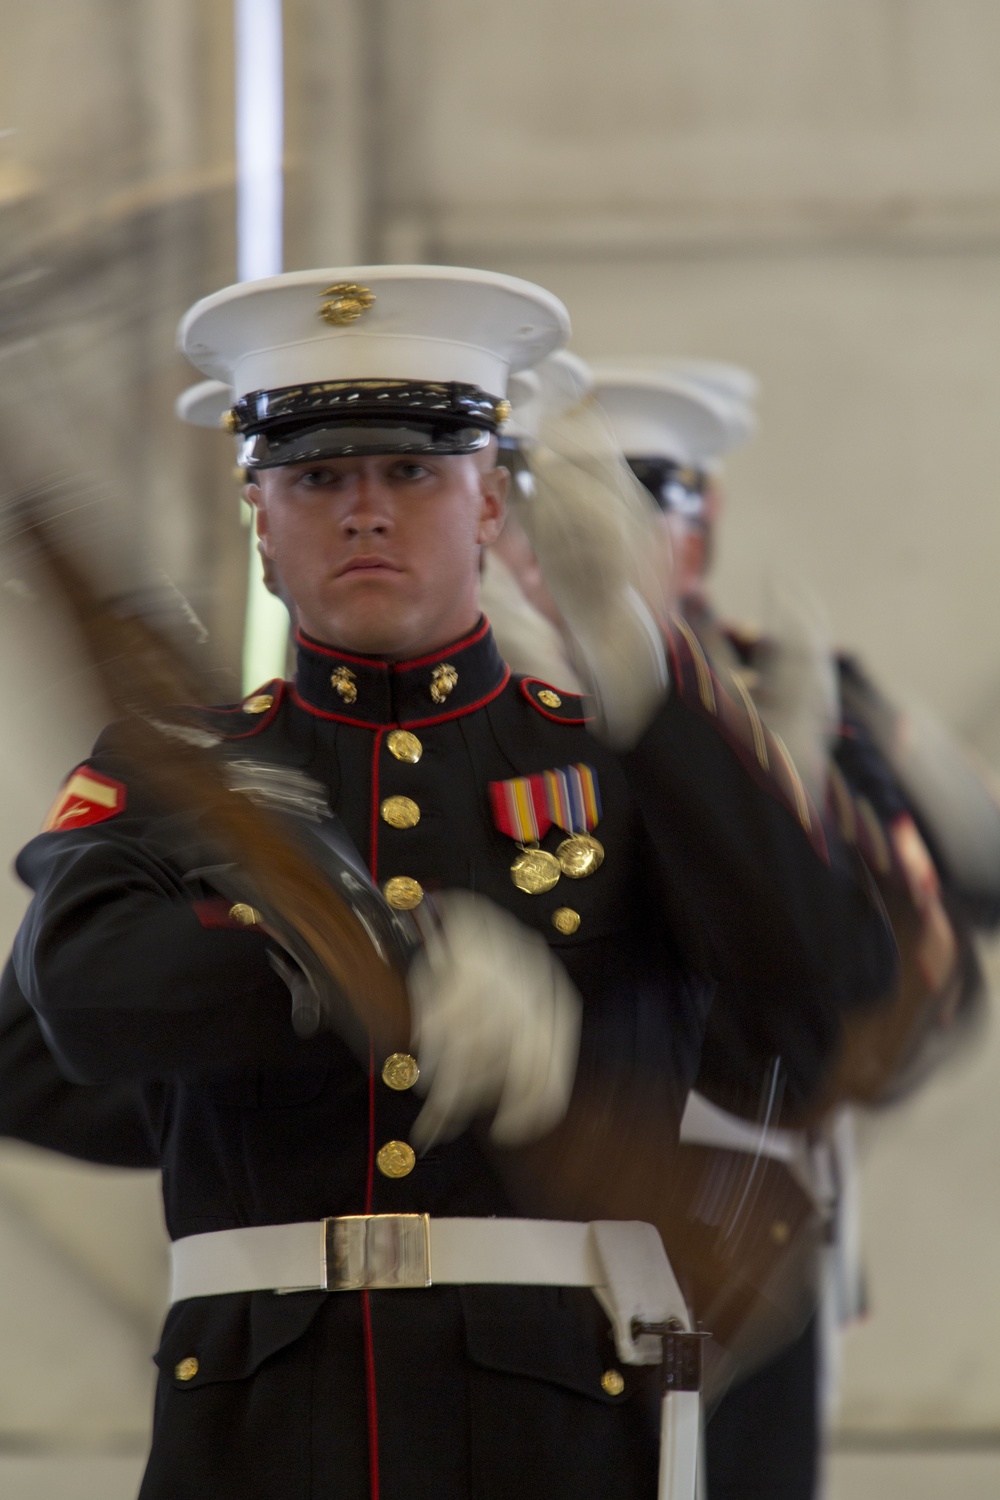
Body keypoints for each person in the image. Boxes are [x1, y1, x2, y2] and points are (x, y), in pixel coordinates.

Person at [10, 265, 896, 1500]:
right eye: (317, 477)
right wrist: (326, 961)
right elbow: (79, 996)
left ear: (490, 506)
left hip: (558, 1423)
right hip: (257, 1423)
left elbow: (823, 996)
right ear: (259, 519)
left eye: (413, 471)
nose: (365, 510)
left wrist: (649, 680)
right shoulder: (178, 775)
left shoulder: (616, 760)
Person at [590, 359, 995, 1500]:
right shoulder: (506, 698)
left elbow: (951, 910)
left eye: (644, 511)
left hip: (751, 1195)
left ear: (700, 529)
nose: (603, 547)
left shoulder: (794, 689)